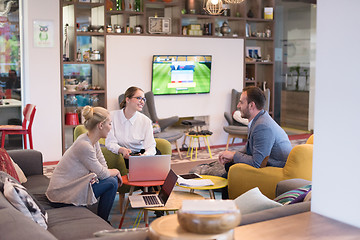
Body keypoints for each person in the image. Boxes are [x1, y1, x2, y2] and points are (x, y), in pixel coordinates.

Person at [46, 106, 122, 222]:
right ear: (100, 125)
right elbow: (102, 173)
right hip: (61, 195)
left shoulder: (91, 140)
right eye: (110, 124)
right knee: (111, 182)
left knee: (111, 179)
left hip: (70, 188)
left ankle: (101, 219)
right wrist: (115, 171)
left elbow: (103, 165)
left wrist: (109, 174)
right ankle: (102, 221)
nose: (111, 128)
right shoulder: (84, 145)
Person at [219, 86, 292, 198]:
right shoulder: (258, 119)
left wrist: (234, 155)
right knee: (228, 167)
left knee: (226, 178)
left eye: (241, 103)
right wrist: (231, 154)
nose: (238, 106)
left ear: (251, 105)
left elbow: (257, 163)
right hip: (266, 163)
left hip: (275, 170)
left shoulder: (262, 126)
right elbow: (249, 148)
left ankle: (228, 210)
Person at [105, 86, 157, 169]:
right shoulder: (112, 116)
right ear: (127, 99)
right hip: (121, 154)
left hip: (140, 154)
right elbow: (110, 143)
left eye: (143, 99)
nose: (142, 102)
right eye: (139, 98)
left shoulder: (146, 121)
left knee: (158, 162)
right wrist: (121, 150)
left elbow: (150, 146)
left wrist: (145, 155)